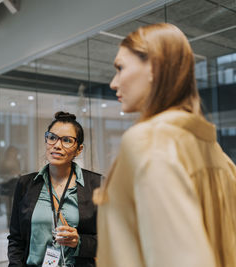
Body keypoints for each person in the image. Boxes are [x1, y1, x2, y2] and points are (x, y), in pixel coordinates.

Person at [93, 23, 236, 267]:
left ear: (154, 67)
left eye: (120, 68)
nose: (113, 83)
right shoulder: (216, 154)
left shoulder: (149, 142)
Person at [8, 111, 102, 267]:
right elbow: (16, 239)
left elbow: (110, 240)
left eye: (66, 140)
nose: (57, 145)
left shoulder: (96, 184)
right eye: (52, 138)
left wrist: (79, 242)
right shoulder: (26, 184)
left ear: (79, 149)